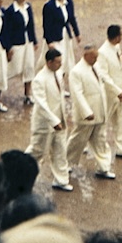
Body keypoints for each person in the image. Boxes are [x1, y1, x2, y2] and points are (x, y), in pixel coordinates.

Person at [67, 44, 115, 180]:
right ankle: (66, 163)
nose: (96, 59)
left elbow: (105, 82)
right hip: (86, 116)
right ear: (86, 56)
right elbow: (77, 94)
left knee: (100, 140)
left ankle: (104, 167)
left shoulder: (96, 67)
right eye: (94, 57)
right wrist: (86, 112)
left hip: (99, 112)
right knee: (77, 140)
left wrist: (117, 92)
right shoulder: (76, 71)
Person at [28, 46, 72, 192]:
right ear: (49, 62)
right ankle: (18, 171)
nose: (60, 64)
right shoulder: (39, 79)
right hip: (44, 124)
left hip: (58, 121)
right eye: (58, 62)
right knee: (37, 152)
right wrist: (54, 121)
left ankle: (61, 179)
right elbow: (41, 104)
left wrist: (60, 119)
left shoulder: (58, 74)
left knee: (60, 150)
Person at [98, 23, 122, 159]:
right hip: (110, 94)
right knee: (103, 121)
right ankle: (91, 145)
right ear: (116, 37)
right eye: (121, 34)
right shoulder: (103, 52)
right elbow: (103, 75)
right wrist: (116, 90)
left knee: (121, 120)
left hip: (121, 92)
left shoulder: (116, 47)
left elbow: (120, 69)